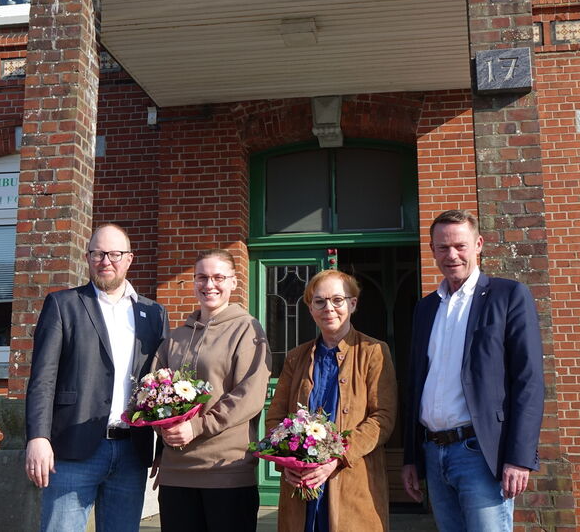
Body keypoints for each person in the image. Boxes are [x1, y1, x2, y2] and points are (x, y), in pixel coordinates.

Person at [401, 209, 544, 532]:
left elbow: (528, 381)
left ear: (478, 244)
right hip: (433, 452)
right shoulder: (425, 308)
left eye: (460, 246)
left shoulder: (508, 297)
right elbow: (415, 385)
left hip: (480, 454)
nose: (451, 255)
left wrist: (519, 457)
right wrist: (411, 457)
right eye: (442, 247)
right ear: (432, 250)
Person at [24, 224, 168, 532]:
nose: (106, 261)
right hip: (73, 450)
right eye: (98, 253)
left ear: (129, 259)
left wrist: (163, 449)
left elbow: (161, 384)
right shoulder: (63, 305)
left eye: (114, 254)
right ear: (88, 258)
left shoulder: (153, 313)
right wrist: (38, 437)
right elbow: (42, 379)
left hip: (132, 451)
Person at [266, 269, 397, 532]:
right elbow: (275, 418)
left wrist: (337, 458)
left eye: (338, 300)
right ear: (310, 308)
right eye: (319, 301)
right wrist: (286, 461)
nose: (329, 308)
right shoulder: (295, 357)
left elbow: (383, 417)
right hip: (300, 484)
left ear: (353, 303)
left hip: (352, 479)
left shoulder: (373, 351)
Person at [153, 249, 272, 532]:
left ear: (234, 282)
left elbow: (250, 395)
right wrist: (163, 428)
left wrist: (197, 427)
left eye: (218, 277)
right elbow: (152, 391)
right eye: (202, 277)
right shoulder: (178, 336)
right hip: (176, 472)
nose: (209, 285)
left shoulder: (248, 330)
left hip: (225, 470)